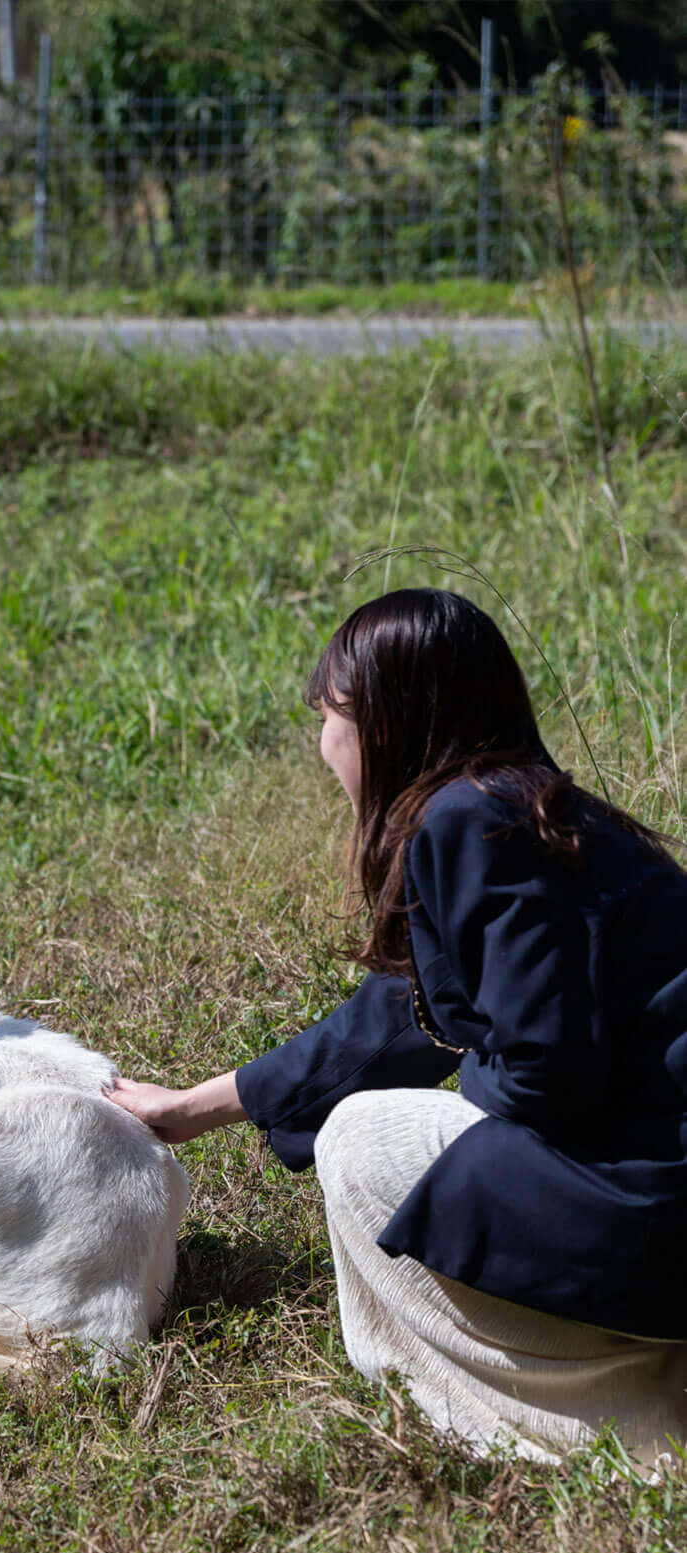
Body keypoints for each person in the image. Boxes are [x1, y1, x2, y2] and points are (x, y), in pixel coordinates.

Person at [107, 587, 687, 1467]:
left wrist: (470, 1064)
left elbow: (542, 1075)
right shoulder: (537, 813)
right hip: (664, 1187)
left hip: (657, 1209)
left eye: (329, 714)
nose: (322, 744)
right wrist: (200, 1105)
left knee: (364, 1136)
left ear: (384, 720)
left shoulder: (465, 820)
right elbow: (410, 1013)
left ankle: (579, 1419)